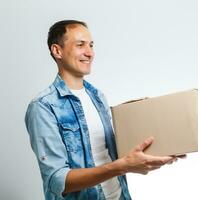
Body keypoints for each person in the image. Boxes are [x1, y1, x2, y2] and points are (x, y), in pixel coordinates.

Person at [25, 20, 183, 200]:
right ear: (57, 51)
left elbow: (113, 153)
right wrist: (122, 166)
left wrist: (164, 147)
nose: (89, 52)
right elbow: (57, 180)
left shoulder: (97, 96)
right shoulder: (43, 107)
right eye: (80, 45)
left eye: (91, 45)